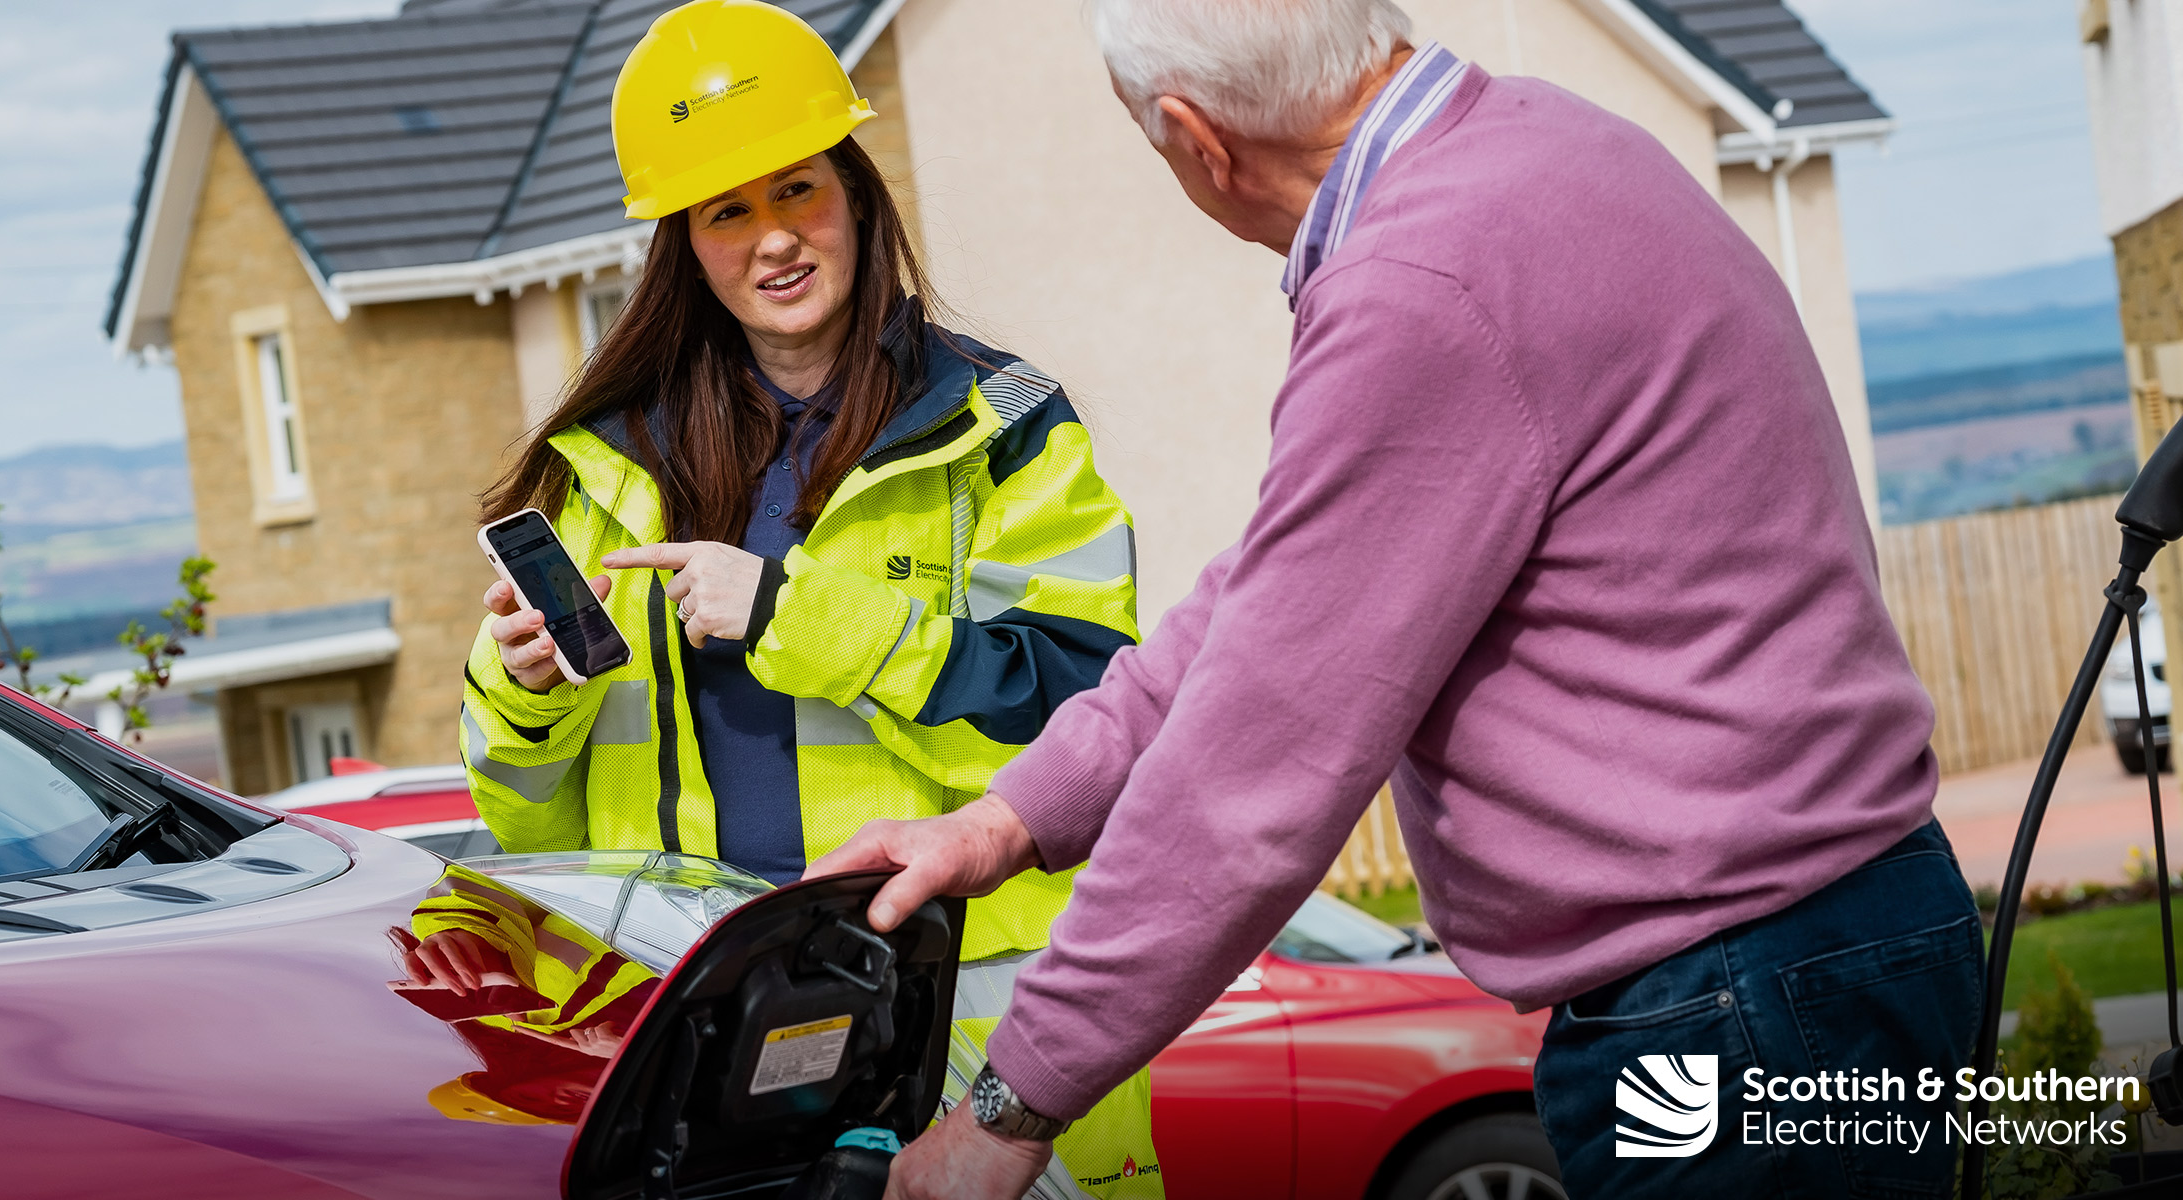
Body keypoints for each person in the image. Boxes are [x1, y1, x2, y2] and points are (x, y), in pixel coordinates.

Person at [809, 2, 1980, 1198]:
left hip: (1731, 995)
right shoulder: (1551, 147)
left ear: (1195, 138)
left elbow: (1253, 775)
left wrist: (1006, 1112)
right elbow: (1271, 597)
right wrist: (1006, 822)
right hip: (1826, 937)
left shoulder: (1424, 284)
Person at [454, 2, 1161, 1193]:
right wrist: (525, 693)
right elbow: (525, 819)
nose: (774, 237)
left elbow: (1086, 719)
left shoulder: (1007, 428)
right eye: (730, 209)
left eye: (798, 189)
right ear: (684, 240)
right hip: (705, 1041)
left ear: (857, 192)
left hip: (973, 1023)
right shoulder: (602, 467)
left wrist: (794, 616)